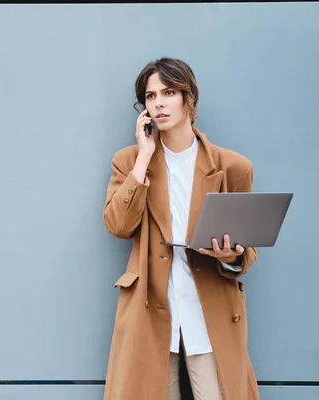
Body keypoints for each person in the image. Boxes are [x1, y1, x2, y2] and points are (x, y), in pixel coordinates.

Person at [102, 57, 260, 400]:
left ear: (188, 98)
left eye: (168, 92)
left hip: (210, 312)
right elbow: (118, 224)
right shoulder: (128, 161)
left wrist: (230, 256)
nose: (158, 103)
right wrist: (143, 159)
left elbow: (247, 250)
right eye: (150, 95)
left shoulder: (232, 167)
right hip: (151, 311)